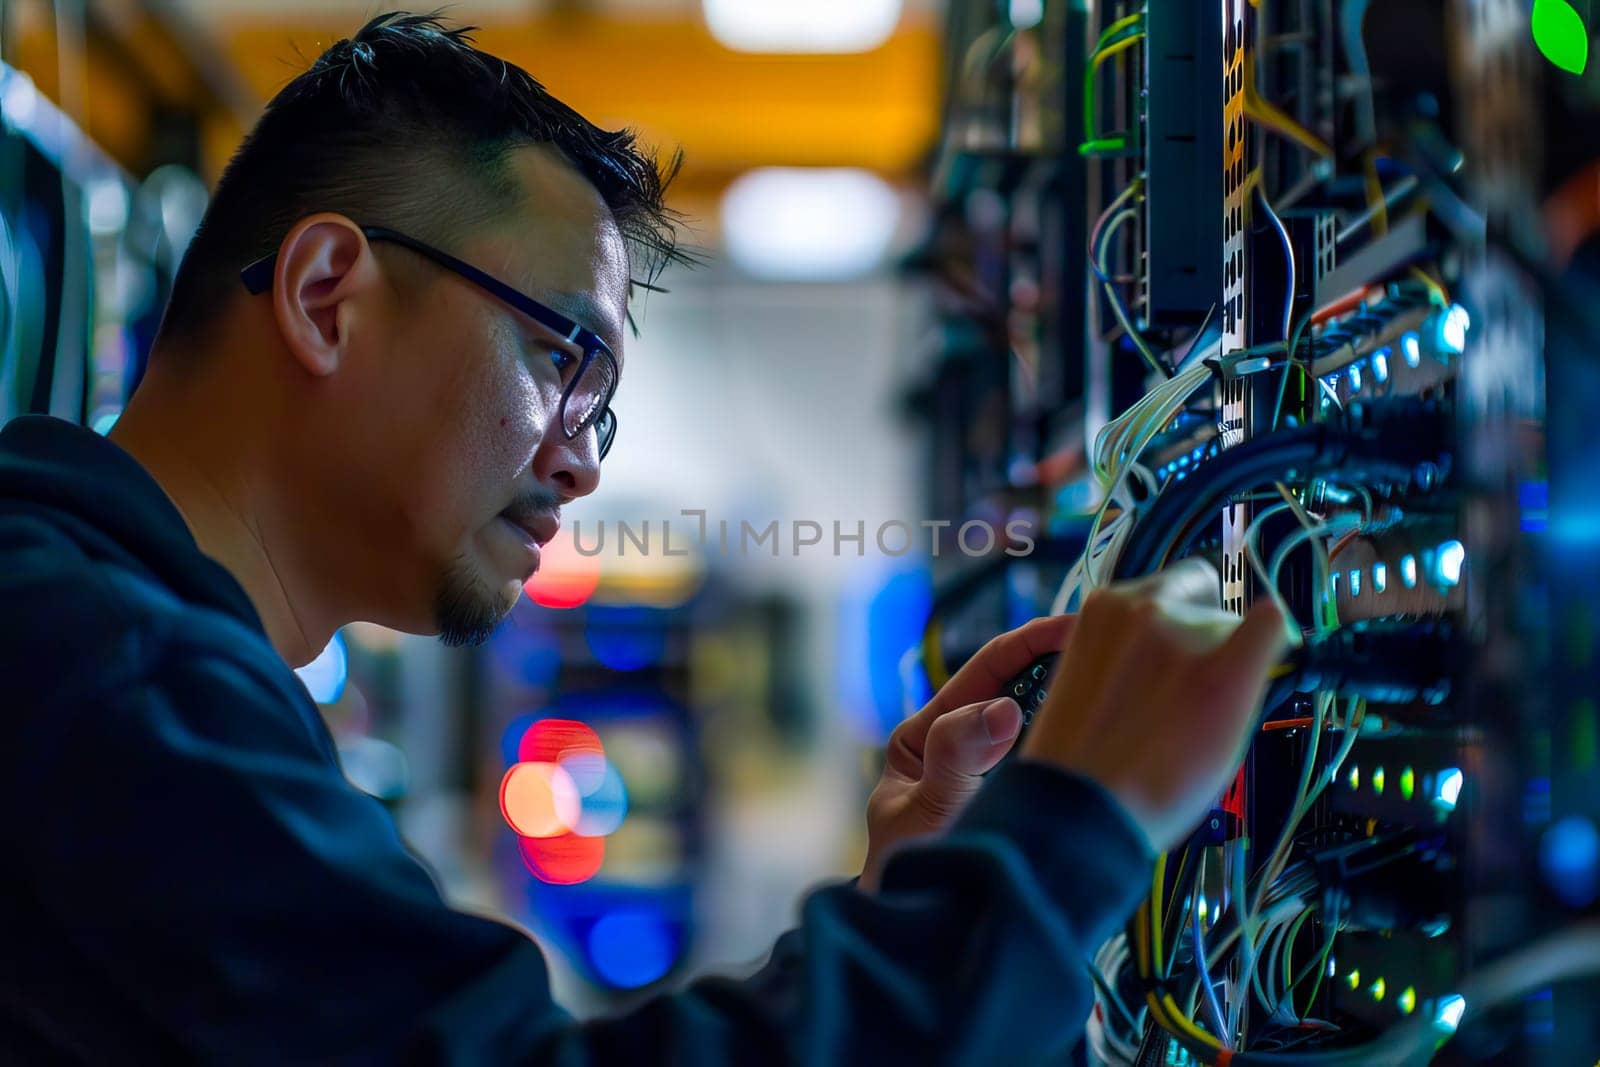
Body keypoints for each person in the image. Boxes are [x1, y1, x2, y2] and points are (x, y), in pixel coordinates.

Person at [0, 13, 1286, 1065]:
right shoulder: (104, 672)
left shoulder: (111, 646)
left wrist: (922, 909)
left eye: (602, 413)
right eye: (565, 361)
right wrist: (1070, 833)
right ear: (327, 294)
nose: (579, 457)